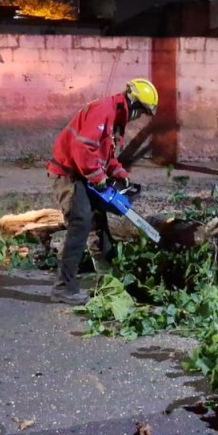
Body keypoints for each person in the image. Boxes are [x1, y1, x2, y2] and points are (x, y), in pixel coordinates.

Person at [46, 78, 159, 304]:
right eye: (142, 112)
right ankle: (63, 287)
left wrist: (120, 175)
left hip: (82, 175)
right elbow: (82, 148)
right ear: (134, 104)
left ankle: (108, 276)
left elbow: (105, 156)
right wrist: (98, 179)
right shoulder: (104, 110)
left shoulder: (115, 119)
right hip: (70, 175)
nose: (139, 117)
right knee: (80, 224)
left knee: (99, 223)